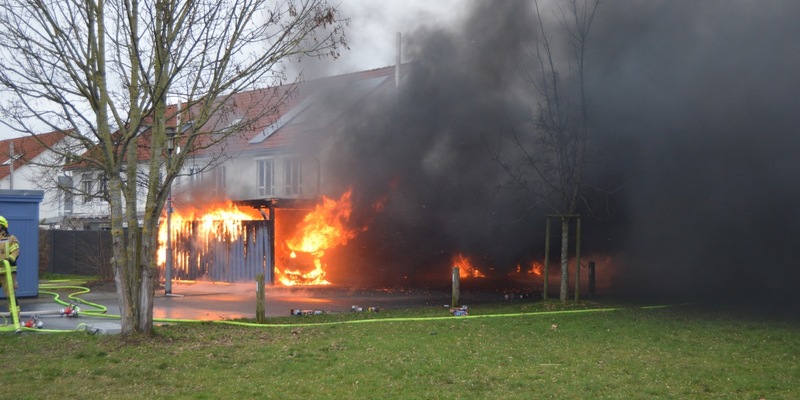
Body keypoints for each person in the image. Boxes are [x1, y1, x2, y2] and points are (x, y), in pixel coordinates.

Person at [0, 216, 20, 291]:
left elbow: (15, 251)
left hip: (8, 271)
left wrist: (10, 259)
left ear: (2, 226)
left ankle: (14, 303)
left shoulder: (11, 238)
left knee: (10, 294)